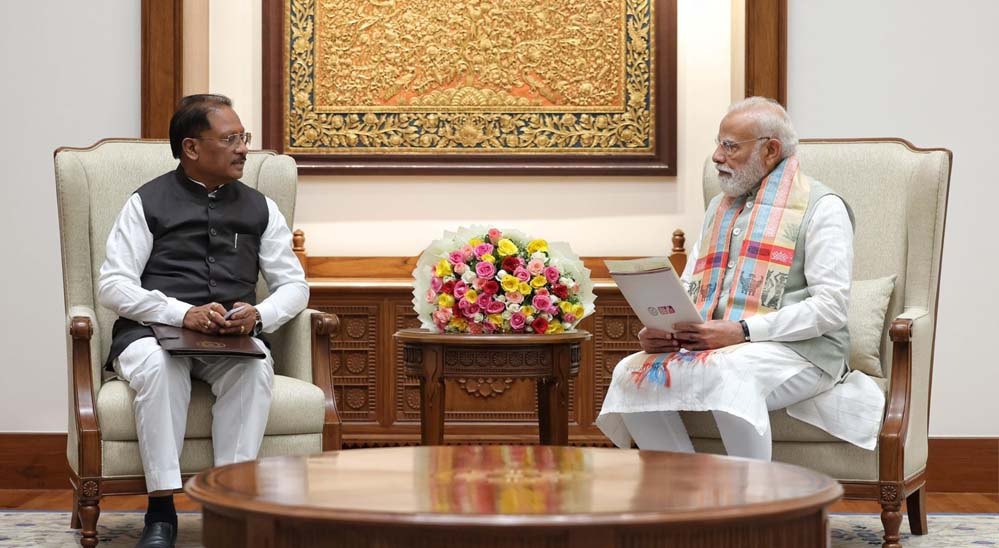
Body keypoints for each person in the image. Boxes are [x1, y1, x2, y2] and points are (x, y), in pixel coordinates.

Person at [596, 97, 884, 461]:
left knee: (730, 373)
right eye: (719, 143)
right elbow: (690, 286)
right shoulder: (720, 208)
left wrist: (742, 331)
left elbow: (831, 308)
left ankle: (750, 494)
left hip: (803, 354)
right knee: (630, 373)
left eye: (731, 146)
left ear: (770, 150)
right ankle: (683, 488)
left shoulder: (822, 207)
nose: (717, 156)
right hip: (721, 348)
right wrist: (664, 331)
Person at [97, 94, 309, 547]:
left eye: (243, 137)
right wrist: (181, 313)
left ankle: (230, 507)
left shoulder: (261, 207)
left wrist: (258, 314)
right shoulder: (146, 202)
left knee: (253, 370)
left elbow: (295, 286)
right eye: (230, 139)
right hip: (152, 334)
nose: (243, 148)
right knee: (161, 368)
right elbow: (112, 285)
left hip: (230, 338)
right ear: (191, 148)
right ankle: (161, 512)